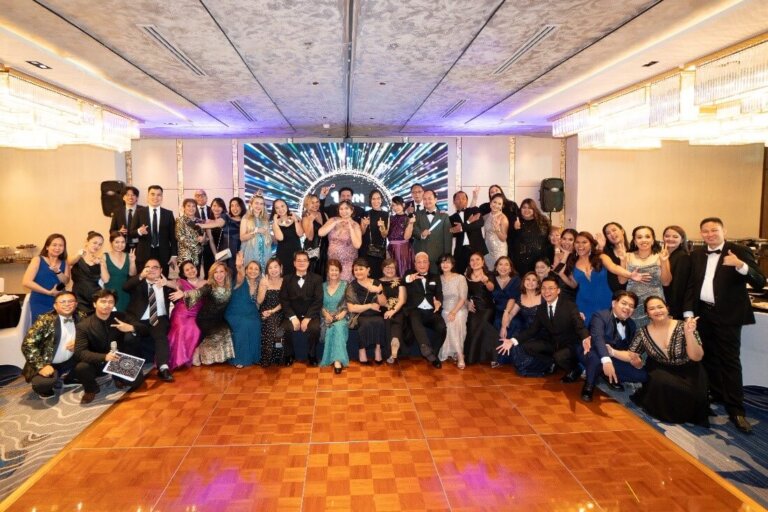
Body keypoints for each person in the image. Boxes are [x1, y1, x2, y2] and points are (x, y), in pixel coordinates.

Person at [684, 217, 766, 433]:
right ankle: (717, 393)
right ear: (701, 233)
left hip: (729, 316)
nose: (710, 234)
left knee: (730, 361)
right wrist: (689, 313)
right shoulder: (698, 254)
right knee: (708, 357)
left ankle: (736, 410)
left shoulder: (737, 250)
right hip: (704, 314)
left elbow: (759, 280)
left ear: (723, 230)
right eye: (705, 231)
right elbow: (693, 285)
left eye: (714, 230)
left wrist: (740, 266)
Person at [612, 296, 709, 427]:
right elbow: (631, 354)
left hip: (689, 368)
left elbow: (697, 357)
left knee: (694, 393)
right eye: (652, 308)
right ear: (647, 314)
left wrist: (689, 333)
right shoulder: (642, 332)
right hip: (661, 369)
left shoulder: (685, 326)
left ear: (667, 309)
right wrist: (611, 351)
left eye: (660, 307)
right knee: (662, 381)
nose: (657, 311)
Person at [498, 277, 590, 380]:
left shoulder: (569, 306)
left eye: (551, 288)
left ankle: (574, 369)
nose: (547, 291)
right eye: (544, 288)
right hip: (552, 343)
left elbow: (579, 326)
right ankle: (552, 362)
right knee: (526, 347)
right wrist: (512, 341)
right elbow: (532, 330)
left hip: (569, 344)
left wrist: (586, 338)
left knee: (559, 356)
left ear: (558, 290)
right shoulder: (541, 309)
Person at [73, 289, 148, 404]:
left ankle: (116, 377)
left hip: (118, 359)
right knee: (81, 368)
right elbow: (80, 352)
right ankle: (91, 389)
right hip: (97, 360)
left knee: (137, 382)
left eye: (110, 302)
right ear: (94, 304)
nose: (107, 305)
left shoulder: (121, 316)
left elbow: (145, 330)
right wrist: (104, 357)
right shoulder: (83, 326)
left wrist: (131, 328)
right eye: (103, 301)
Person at [579, 290, 648, 402]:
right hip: (592, 352)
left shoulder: (631, 324)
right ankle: (589, 384)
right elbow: (598, 339)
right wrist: (606, 360)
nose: (627, 308)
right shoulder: (600, 316)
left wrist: (634, 360)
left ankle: (605, 375)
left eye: (631, 306)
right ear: (614, 303)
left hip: (613, 356)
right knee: (596, 357)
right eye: (624, 303)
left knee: (642, 375)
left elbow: (628, 349)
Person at [21, 291, 86, 399]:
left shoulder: (81, 316)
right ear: (55, 306)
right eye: (63, 302)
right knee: (42, 384)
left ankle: (70, 378)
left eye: (70, 301)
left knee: (95, 359)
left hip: (70, 359)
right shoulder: (45, 320)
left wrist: (78, 342)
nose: (67, 304)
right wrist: (41, 366)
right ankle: (45, 388)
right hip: (48, 362)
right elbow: (28, 344)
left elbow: (89, 335)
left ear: (76, 304)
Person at [171, 261, 235, 365]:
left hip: (218, 318)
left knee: (227, 330)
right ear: (212, 274)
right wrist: (184, 294)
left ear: (226, 273)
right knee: (219, 333)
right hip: (205, 318)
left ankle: (219, 358)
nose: (218, 275)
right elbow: (197, 292)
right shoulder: (209, 286)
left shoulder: (229, 286)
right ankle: (199, 351)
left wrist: (240, 267)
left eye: (221, 271)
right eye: (216, 272)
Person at [123, 258, 175, 382]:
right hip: (138, 320)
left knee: (161, 336)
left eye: (155, 267)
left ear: (161, 270)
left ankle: (163, 368)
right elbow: (125, 287)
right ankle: (132, 369)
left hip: (158, 318)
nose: (151, 269)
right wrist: (140, 276)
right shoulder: (138, 283)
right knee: (129, 338)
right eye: (148, 267)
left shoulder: (166, 285)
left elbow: (183, 288)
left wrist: (169, 284)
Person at [618, 226, 671, 327]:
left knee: (656, 332)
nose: (643, 240)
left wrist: (664, 262)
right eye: (639, 237)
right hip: (633, 302)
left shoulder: (661, 256)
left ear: (652, 240)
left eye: (647, 236)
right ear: (634, 240)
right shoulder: (627, 256)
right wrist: (622, 260)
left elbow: (666, 282)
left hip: (655, 303)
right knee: (634, 334)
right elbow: (622, 281)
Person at [280, 251, 323, 366]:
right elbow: (284, 300)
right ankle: (289, 354)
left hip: (311, 315)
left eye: (304, 260)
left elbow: (318, 301)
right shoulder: (287, 279)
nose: (302, 263)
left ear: (309, 263)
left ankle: (312, 354)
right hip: (292, 315)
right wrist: (293, 317)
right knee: (284, 329)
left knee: (315, 329)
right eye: (299, 260)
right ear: (294, 263)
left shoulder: (317, 279)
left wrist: (308, 318)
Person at [404, 252, 446, 368]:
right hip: (415, 309)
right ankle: (427, 350)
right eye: (419, 262)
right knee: (414, 317)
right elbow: (404, 280)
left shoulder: (435, 276)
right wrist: (410, 278)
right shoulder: (409, 273)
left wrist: (438, 302)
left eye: (424, 262)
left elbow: (439, 293)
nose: (422, 264)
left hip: (431, 311)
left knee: (442, 328)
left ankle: (434, 354)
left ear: (428, 264)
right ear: (415, 264)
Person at [130, 185, 177, 276]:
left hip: (163, 254)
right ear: (148, 196)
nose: (155, 197)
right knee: (143, 280)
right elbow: (131, 232)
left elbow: (173, 236)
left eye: (159, 195)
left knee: (162, 279)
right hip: (143, 253)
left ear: (162, 197)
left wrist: (174, 255)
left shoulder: (168, 214)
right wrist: (139, 231)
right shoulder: (139, 212)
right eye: (152, 194)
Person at [346, 258, 385, 364]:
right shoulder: (351, 286)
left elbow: (383, 303)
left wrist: (379, 292)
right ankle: (362, 351)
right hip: (359, 314)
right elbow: (351, 308)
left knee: (380, 321)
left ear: (368, 270)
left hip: (375, 313)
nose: (358, 272)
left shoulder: (376, 283)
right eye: (356, 270)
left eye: (361, 269)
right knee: (365, 323)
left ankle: (378, 349)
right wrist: (370, 305)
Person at [23, 234, 70, 323]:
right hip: (40, 301)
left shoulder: (65, 262)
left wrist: (58, 271)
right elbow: (26, 282)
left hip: (61, 302)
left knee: (59, 330)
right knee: (41, 330)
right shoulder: (37, 260)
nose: (57, 248)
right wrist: (49, 292)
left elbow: (66, 281)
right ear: (47, 247)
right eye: (54, 245)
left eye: (61, 245)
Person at [464, 253, 501, 366]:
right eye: (472, 260)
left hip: (487, 308)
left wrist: (485, 281)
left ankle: (478, 357)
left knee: (482, 325)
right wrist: (467, 303)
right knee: (471, 326)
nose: (475, 262)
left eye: (477, 259)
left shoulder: (489, 274)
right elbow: (463, 295)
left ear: (483, 261)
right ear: (469, 263)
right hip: (473, 308)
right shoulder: (466, 276)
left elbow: (492, 288)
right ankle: (474, 356)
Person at [166, 260, 204, 370]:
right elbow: (171, 283)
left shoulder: (204, 282)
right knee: (182, 328)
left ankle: (187, 357)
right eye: (187, 270)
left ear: (196, 268)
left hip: (196, 314)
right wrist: (165, 283)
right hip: (181, 313)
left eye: (192, 268)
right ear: (184, 273)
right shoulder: (181, 282)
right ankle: (177, 359)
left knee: (195, 328)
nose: (190, 271)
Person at [226, 256, 261, 368]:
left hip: (251, 311)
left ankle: (254, 357)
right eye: (250, 268)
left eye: (256, 269)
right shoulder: (240, 280)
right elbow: (240, 275)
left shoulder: (259, 283)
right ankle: (240, 358)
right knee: (244, 325)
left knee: (256, 324)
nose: (253, 271)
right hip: (235, 312)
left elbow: (257, 302)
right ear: (246, 270)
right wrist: (239, 266)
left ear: (260, 272)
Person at [319, 200, 362, 281]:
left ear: (351, 210)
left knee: (345, 288)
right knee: (333, 285)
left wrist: (351, 228)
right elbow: (321, 233)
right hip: (332, 262)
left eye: (346, 208)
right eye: (341, 209)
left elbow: (357, 245)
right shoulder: (333, 220)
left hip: (347, 263)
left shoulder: (355, 225)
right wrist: (335, 222)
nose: (343, 211)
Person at [438, 255, 468, 368]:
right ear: (440, 265)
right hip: (445, 309)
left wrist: (454, 312)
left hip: (459, 308)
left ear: (453, 265)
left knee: (456, 318)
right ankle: (460, 354)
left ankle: (459, 355)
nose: (445, 265)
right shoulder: (438, 279)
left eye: (448, 262)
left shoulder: (460, 278)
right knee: (447, 318)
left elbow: (463, 298)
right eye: (443, 262)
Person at [320, 259, 349, 374]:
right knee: (331, 327)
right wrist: (325, 314)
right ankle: (330, 358)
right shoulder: (322, 286)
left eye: (336, 270)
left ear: (340, 272)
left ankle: (337, 361)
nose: (334, 273)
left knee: (338, 326)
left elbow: (349, 302)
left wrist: (343, 313)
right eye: (331, 270)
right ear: (327, 271)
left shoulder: (345, 285)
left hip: (342, 316)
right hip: (325, 317)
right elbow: (319, 304)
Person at [412, 190, 451, 274]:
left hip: (438, 256)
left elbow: (447, 238)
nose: (427, 201)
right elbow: (413, 229)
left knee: (436, 282)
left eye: (430, 198)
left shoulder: (444, 216)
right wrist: (421, 234)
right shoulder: (417, 214)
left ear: (435, 200)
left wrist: (447, 257)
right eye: (425, 199)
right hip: (420, 256)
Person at [449, 190, 486, 274]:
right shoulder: (451, 218)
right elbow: (452, 232)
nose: (461, 200)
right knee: (459, 274)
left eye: (463, 198)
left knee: (478, 275)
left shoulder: (474, 210)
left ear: (467, 201)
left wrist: (462, 227)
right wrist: (469, 222)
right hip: (460, 251)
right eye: (458, 198)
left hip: (476, 249)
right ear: (454, 202)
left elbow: (480, 223)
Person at [509, 198, 550, 276]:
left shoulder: (543, 222)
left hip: (538, 260)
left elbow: (547, 240)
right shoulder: (515, 222)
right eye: (524, 207)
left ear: (534, 209)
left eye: (530, 208)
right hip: (520, 261)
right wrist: (513, 228)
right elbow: (510, 241)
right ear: (520, 209)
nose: (526, 210)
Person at [68, 231, 105, 315]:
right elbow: (69, 262)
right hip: (79, 296)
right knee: (80, 322)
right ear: (87, 242)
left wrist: (101, 264)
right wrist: (79, 254)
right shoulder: (76, 256)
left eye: (100, 244)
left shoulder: (99, 259)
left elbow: (106, 279)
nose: (97, 246)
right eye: (94, 243)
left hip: (96, 296)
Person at [257, 258, 284, 367]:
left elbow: (284, 302)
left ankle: (277, 357)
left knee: (278, 328)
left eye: (275, 267)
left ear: (280, 268)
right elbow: (259, 301)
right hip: (265, 310)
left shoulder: (284, 281)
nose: (273, 270)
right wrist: (264, 286)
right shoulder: (264, 280)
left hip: (279, 310)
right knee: (271, 325)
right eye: (270, 267)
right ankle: (267, 357)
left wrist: (272, 311)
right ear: (267, 270)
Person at [101, 232, 137, 312]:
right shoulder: (104, 256)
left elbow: (132, 274)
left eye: (123, 242)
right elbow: (105, 279)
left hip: (126, 294)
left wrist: (132, 262)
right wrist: (101, 263)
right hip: (110, 294)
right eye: (117, 242)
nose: (120, 245)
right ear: (111, 243)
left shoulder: (129, 255)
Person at [380, 258, 406, 364]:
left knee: (397, 317)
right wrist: (387, 308)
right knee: (387, 320)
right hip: (384, 308)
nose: (390, 270)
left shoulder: (400, 280)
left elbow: (402, 299)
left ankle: (393, 349)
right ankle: (392, 348)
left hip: (398, 308)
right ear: (382, 269)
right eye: (387, 267)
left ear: (396, 269)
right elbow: (380, 301)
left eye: (392, 267)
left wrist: (393, 310)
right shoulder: (378, 282)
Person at [662, 225, 691, 319]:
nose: (670, 239)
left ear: (682, 240)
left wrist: (671, 307)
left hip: (673, 306)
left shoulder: (683, 257)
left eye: (675, 236)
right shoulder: (663, 254)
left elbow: (678, 287)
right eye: (667, 236)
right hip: (662, 300)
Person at [360, 189, 389, 279]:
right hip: (366, 249)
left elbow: (385, 235)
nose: (376, 201)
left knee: (378, 275)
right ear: (370, 200)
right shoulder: (365, 213)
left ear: (381, 200)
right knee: (367, 274)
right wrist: (364, 225)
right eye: (373, 199)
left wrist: (382, 227)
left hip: (379, 251)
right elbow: (362, 233)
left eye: (378, 198)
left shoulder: (386, 214)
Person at [491, 256, 521, 338]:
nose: (503, 267)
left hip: (512, 310)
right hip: (496, 311)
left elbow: (513, 299)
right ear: (496, 268)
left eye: (506, 265)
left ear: (510, 268)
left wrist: (506, 313)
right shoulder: (492, 279)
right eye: (500, 264)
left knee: (514, 323)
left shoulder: (516, 280)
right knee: (496, 321)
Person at [240, 194, 272, 271]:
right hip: (251, 251)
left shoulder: (265, 219)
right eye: (256, 203)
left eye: (261, 204)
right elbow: (242, 238)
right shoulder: (246, 218)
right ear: (251, 204)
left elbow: (268, 237)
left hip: (265, 251)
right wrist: (256, 230)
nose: (259, 206)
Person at [271, 198, 304, 271]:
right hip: (283, 254)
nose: (280, 209)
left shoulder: (295, 217)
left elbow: (300, 234)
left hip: (297, 252)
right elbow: (280, 238)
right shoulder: (274, 224)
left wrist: (295, 221)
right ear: (275, 210)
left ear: (286, 206)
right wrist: (275, 223)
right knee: (285, 277)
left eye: (282, 206)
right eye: (277, 208)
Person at [386, 196, 415, 277]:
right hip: (391, 248)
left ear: (403, 204)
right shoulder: (390, 218)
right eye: (393, 205)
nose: (395, 207)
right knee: (391, 272)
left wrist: (411, 223)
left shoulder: (408, 219)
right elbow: (385, 234)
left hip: (403, 249)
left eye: (397, 204)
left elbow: (406, 237)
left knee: (402, 271)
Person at [301, 193, 329, 276]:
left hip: (324, 247)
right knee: (312, 273)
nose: (315, 204)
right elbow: (310, 237)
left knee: (323, 273)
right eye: (312, 203)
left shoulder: (323, 214)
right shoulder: (306, 216)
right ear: (307, 204)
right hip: (312, 248)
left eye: (317, 202)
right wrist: (310, 221)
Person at [599, 222, 630, 292]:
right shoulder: (606, 253)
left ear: (622, 231)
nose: (612, 234)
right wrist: (600, 248)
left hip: (632, 292)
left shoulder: (634, 250)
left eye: (614, 230)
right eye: (608, 233)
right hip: (613, 293)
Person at [108, 185, 141, 252]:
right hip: (122, 246)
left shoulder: (144, 210)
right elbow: (112, 230)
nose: (130, 197)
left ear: (137, 197)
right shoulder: (117, 212)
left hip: (140, 245)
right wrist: (119, 232)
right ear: (123, 197)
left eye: (133, 195)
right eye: (127, 195)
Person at [176, 198, 205, 270]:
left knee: (196, 276)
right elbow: (180, 237)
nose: (191, 208)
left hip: (198, 255)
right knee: (185, 277)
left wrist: (204, 240)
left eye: (193, 206)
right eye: (188, 206)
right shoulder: (180, 220)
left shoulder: (200, 221)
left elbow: (204, 237)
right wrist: (196, 247)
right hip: (185, 255)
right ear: (184, 208)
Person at [483, 194, 509, 270]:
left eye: (499, 204)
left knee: (498, 271)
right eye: (494, 202)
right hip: (487, 249)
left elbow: (503, 238)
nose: (496, 205)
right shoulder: (486, 216)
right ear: (490, 203)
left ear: (502, 206)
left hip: (499, 250)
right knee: (488, 272)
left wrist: (497, 229)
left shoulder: (503, 218)